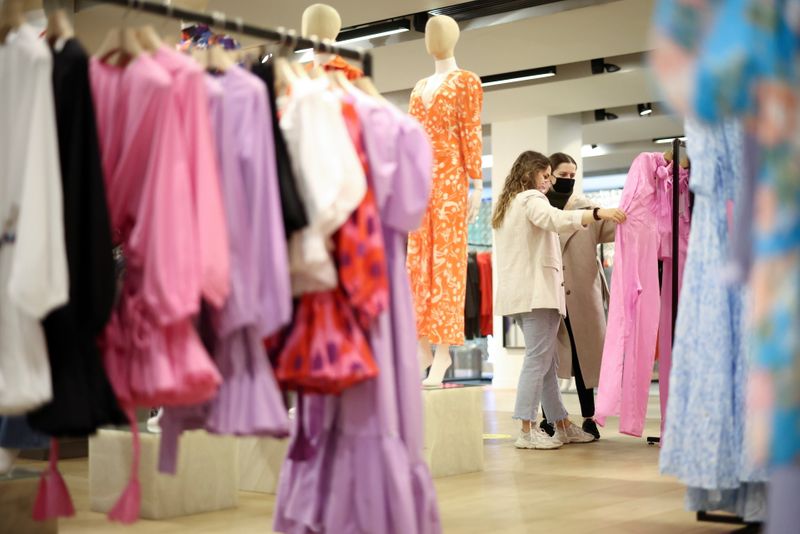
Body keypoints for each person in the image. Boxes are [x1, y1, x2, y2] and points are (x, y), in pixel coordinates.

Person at [493, 151, 626, 450]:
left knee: (546, 362)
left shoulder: (508, 206)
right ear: (530, 174)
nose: (549, 182)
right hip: (538, 294)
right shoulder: (531, 199)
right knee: (537, 361)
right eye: (546, 176)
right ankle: (526, 429)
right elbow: (555, 218)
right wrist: (596, 213)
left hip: (522, 295)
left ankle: (562, 424)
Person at [539, 152, 617, 440]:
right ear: (549, 174)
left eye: (573, 175)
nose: (569, 180)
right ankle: (548, 418)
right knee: (548, 358)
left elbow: (612, 228)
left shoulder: (587, 208)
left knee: (584, 357)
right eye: (563, 174)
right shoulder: (539, 208)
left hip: (583, 292)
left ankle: (589, 418)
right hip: (550, 293)